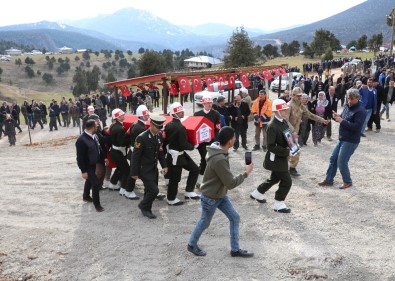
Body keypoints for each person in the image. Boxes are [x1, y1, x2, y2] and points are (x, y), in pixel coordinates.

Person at [187, 126, 254, 257]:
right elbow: (230, 183)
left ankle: (235, 250)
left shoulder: (218, 151)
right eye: (234, 137)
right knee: (204, 222)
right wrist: (246, 173)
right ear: (229, 141)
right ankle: (191, 244)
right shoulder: (219, 159)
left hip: (219, 194)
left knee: (235, 217)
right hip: (211, 197)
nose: (235, 139)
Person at [249, 99, 293, 213]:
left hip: (281, 156)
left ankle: (257, 193)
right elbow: (271, 146)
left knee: (274, 178)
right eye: (283, 109)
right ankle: (278, 203)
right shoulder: (272, 126)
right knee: (287, 181)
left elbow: (287, 137)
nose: (286, 111)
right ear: (277, 111)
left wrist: (293, 146)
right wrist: (287, 151)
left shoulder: (283, 122)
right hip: (276, 159)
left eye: (285, 109)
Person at [318, 88, 367, 189]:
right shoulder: (347, 105)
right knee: (333, 158)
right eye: (348, 98)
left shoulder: (361, 111)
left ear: (357, 98)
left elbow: (356, 127)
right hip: (342, 138)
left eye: (351, 98)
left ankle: (347, 181)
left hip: (351, 140)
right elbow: (343, 117)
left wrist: (342, 121)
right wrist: (337, 116)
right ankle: (329, 179)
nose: (349, 100)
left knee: (341, 161)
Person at [286, 87, 329, 176]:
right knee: (288, 152)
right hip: (287, 133)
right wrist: (293, 131)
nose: (300, 97)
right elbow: (285, 121)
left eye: (300, 96)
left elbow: (310, 115)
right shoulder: (289, 106)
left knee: (294, 152)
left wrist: (322, 120)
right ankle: (282, 169)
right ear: (293, 95)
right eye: (298, 96)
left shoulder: (301, 106)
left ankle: (292, 169)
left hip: (294, 134)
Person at [131, 114, 167, 219]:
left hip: (153, 168)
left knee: (149, 190)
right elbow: (135, 157)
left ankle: (147, 209)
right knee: (154, 190)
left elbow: (160, 152)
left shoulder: (159, 135)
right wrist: (134, 173)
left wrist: (164, 165)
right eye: (157, 127)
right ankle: (142, 205)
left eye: (161, 127)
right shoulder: (141, 138)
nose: (159, 129)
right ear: (151, 124)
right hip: (144, 169)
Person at [164, 102, 200, 206]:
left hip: (177, 154)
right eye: (180, 111)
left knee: (195, 169)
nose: (183, 112)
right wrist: (193, 146)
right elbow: (183, 144)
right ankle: (171, 199)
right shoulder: (180, 127)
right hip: (177, 155)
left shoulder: (169, 125)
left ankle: (189, 191)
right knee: (175, 179)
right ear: (175, 113)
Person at [75, 119, 105, 212]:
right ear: (92, 127)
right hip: (87, 165)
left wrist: (104, 158)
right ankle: (97, 205)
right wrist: (83, 171)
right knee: (95, 184)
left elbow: (98, 149)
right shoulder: (81, 140)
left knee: (89, 180)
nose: (98, 127)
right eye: (96, 126)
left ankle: (86, 196)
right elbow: (80, 158)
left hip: (94, 163)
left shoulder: (94, 135)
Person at [193, 94, 221, 187]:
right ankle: (199, 180)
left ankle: (206, 179)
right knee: (204, 159)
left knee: (210, 160)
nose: (209, 105)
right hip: (201, 143)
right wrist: (196, 141)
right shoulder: (197, 114)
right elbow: (194, 129)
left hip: (211, 141)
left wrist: (214, 139)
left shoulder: (216, 114)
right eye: (207, 103)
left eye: (210, 103)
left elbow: (217, 129)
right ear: (203, 104)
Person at [108, 108, 131, 194]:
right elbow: (122, 143)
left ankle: (112, 183)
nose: (123, 116)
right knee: (126, 170)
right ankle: (124, 188)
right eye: (121, 115)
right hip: (118, 152)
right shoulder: (119, 128)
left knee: (120, 169)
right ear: (117, 117)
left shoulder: (114, 125)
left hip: (115, 151)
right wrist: (130, 136)